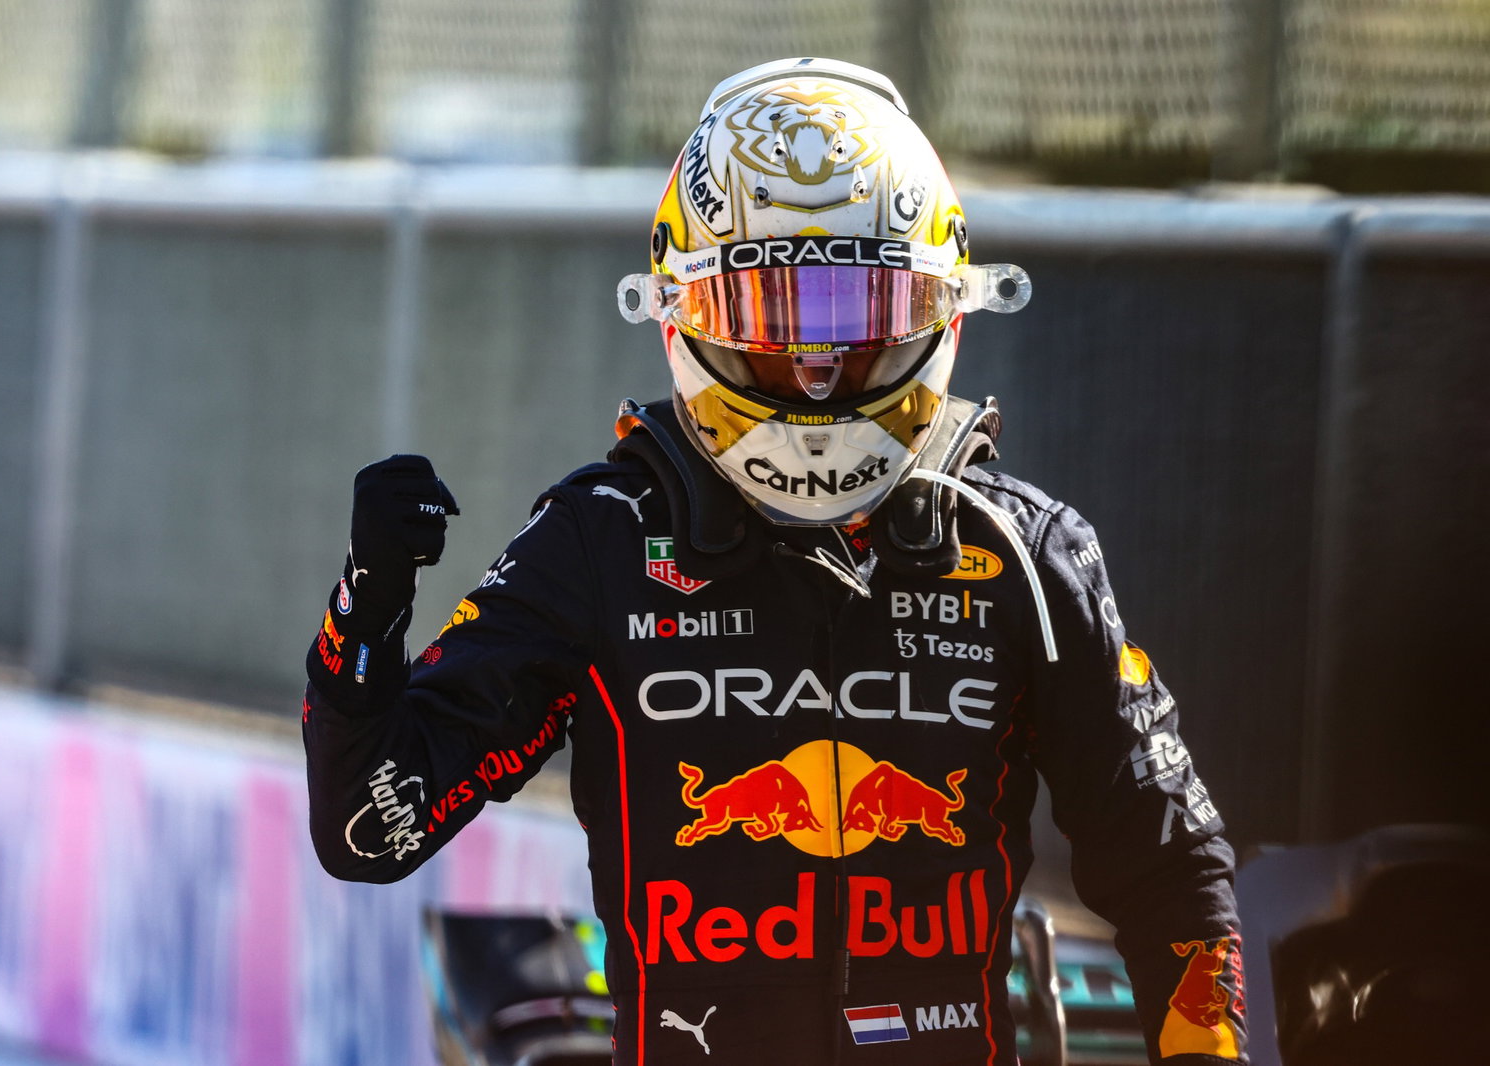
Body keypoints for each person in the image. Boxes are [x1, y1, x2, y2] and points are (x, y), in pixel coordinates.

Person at [303, 57, 1248, 1065]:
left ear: (943, 311)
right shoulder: (600, 541)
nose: (815, 368)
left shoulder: (1023, 552)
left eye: (858, 318)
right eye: (773, 317)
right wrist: (366, 619)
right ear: (680, 318)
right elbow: (370, 830)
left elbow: (1175, 873)